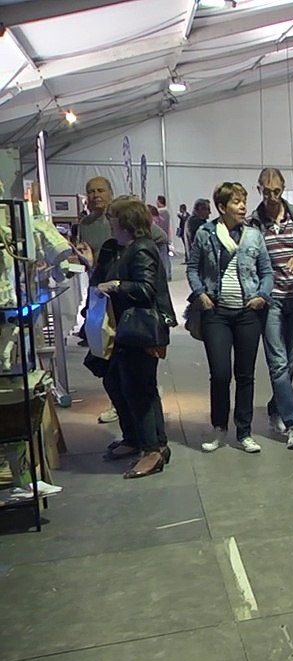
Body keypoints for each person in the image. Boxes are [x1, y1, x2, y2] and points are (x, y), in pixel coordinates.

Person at [187, 182, 274, 454]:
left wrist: (262, 295)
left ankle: (244, 431)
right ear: (222, 207)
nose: (242, 206)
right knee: (220, 373)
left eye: (243, 201)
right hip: (216, 314)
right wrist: (200, 293)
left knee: (245, 374)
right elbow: (192, 268)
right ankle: (219, 428)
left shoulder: (253, 235)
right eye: (236, 202)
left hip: (248, 313)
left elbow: (267, 271)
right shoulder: (205, 233)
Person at [97, 196, 175, 479]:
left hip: (140, 331)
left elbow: (146, 290)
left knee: (138, 388)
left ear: (125, 221)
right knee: (120, 382)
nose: (109, 222)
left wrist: (117, 285)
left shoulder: (141, 249)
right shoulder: (123, 248)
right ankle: (141, 440)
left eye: (113, 217)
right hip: (128, 331)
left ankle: (152, 449)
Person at [249, 168, 293, 449]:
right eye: (266, 192)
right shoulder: (253, 223)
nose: (272, 197)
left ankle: (275, 406)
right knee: (277, 363)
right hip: (271, 300)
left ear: (283, 188)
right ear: (259, 190)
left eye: (276, 191)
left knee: (289, 362)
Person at [77, 177, 120, 422]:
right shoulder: (85, 224)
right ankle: (117, 401)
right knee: (103, 352)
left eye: (100, 190)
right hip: (98, 296)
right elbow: (87, 260)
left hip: (122, 294)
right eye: (90, 191)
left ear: (110, 192)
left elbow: (156, 238)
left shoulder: (122, 215)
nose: (95, 195)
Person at [155, 195, 173, 278]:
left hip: (160, 237)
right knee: (166, 257)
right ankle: (168, 273)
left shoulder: (160, 212)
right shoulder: (167, 212)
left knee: (163, 257)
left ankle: (165, 274)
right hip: (166, 236)